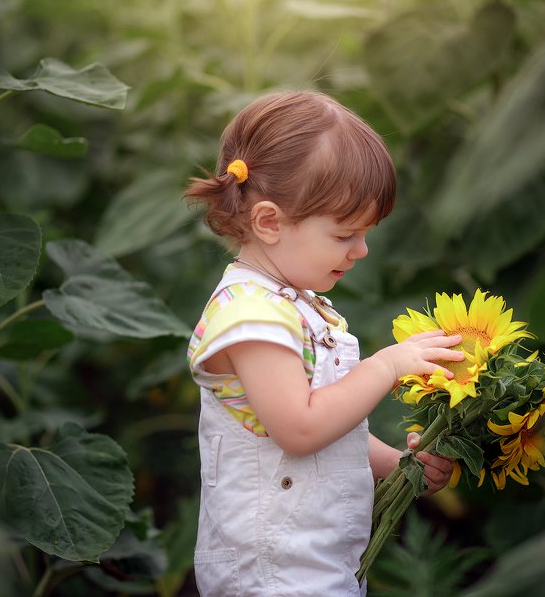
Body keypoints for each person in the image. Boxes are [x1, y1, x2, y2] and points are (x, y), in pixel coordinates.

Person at [184, 90, 464, 596]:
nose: (362, 250)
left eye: (366, 233)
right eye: (344, 235)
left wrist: (399, 466)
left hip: (311, 559)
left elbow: (332, 428)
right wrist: (385, 367)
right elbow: (301, 427)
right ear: (269, 222)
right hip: (270, 570)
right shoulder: (251, 316)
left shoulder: (293, 303)